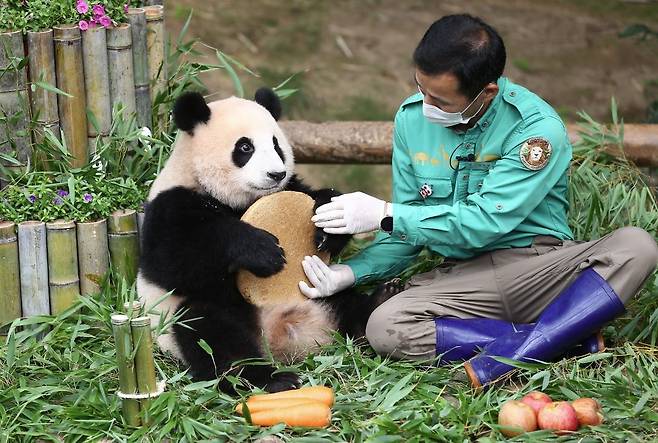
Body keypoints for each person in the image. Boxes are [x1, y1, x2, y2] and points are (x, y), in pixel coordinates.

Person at [298, 14, 658, 387]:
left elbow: (481, 224)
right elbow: (408, 229)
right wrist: (352, 272)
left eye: (439, 99)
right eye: (420, 88)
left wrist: (386, 214)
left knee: (637, 247)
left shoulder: (535, 129)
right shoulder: (411, 120)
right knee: (386, 326)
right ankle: (561, 341)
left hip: (537, 271)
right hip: (464, 280)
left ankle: (508, 357)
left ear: (486, 92)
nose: (425, 106)